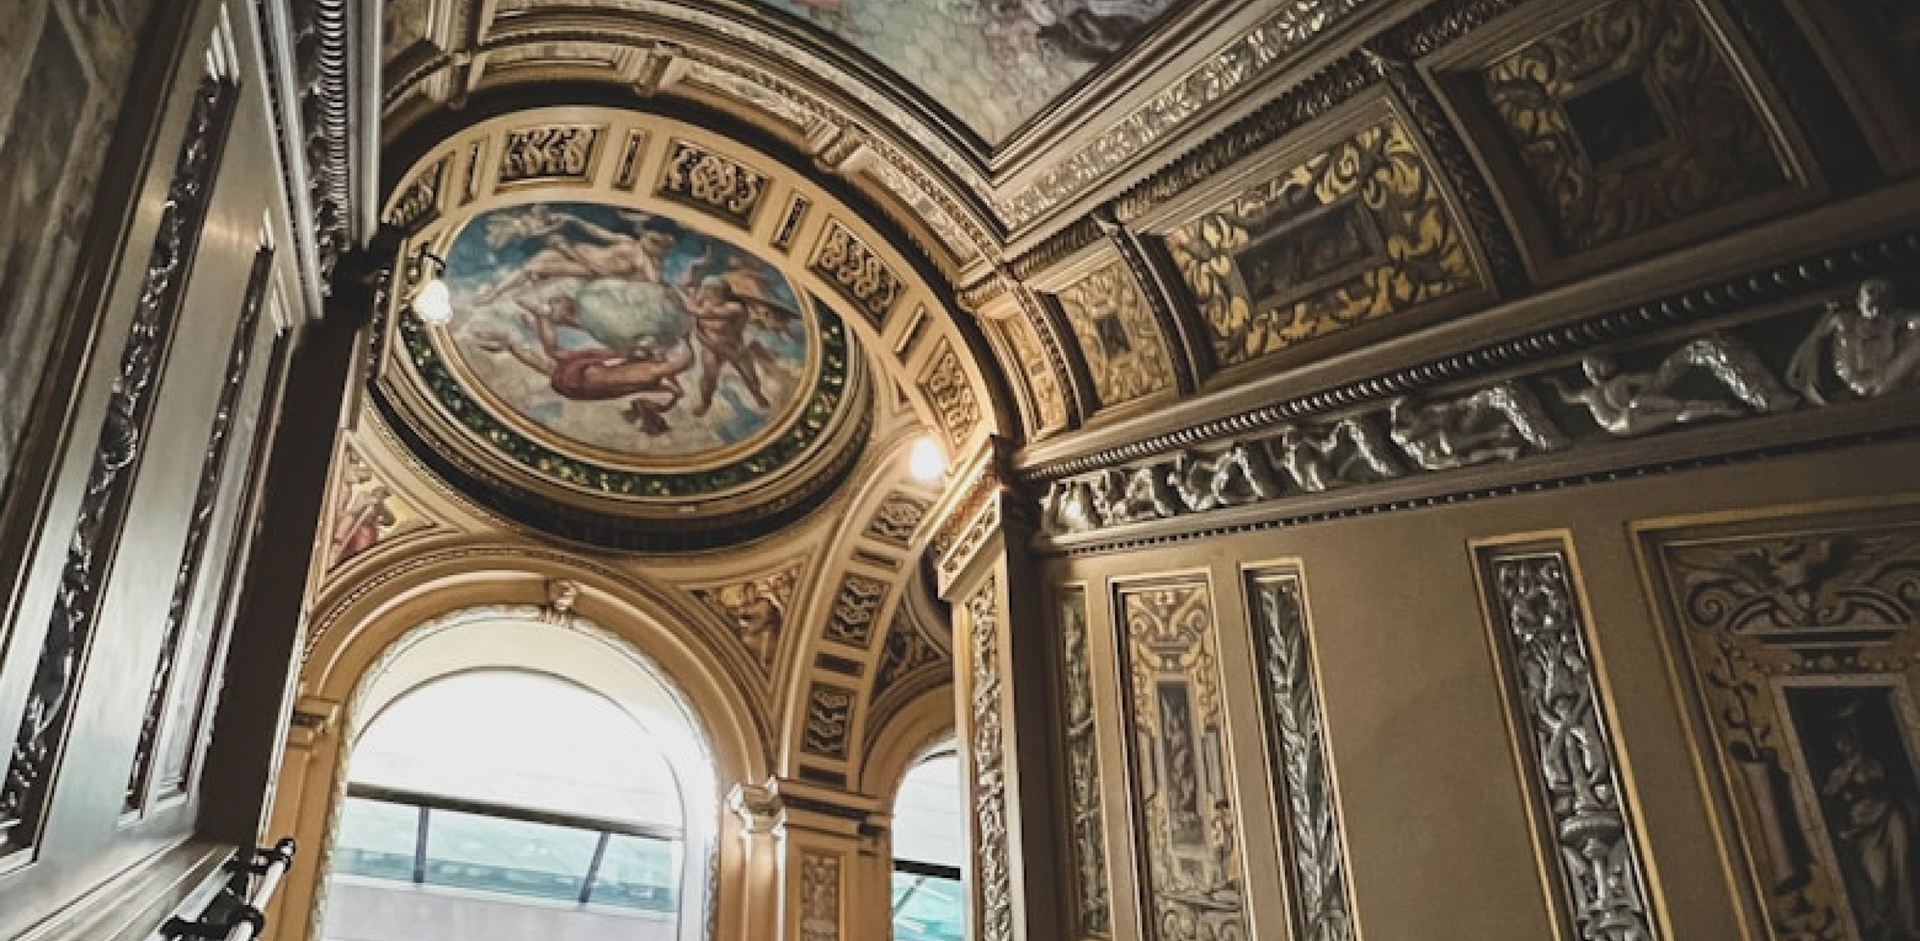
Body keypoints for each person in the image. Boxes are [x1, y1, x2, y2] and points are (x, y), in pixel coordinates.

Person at [472, 295, 695, 435]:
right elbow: (668, 375)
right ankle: (517, 341)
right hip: (583, 388)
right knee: (551, 364)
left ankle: (540, 321)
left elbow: (682, 363)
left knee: (554, 357)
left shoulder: (651, 372)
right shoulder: (655, 379)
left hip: (590, 379)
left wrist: (686, 338)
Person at [473, 210, 680, 303]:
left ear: (662, 247)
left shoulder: (643, 261)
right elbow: (597, 232)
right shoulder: (628, 242)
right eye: (649, 236)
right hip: (580, 251)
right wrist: (574, 220)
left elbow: (655, 283)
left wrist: (669, 292)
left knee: (535, 269)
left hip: (587, 267)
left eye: (655, 241)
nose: (645, 239)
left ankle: (500, 295)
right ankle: (497, 293)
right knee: (536, 262)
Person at [1787, 278, 1920, 405]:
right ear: (1859, 300)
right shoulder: (1844, 320)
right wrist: (1830, 312)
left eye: (1886, 294)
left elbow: (1914, 322)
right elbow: (1816, 338)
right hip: (1855, 381)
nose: (1878, 297)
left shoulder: (1895, 319)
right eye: (1871, 292)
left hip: (1887, 379)